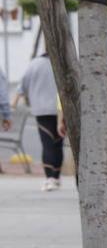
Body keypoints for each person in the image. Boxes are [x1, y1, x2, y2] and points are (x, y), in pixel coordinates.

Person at [17, 52, 62, 190]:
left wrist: (17, 100)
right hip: (61, 109)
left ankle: (49, 178)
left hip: (41, 110)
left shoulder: (34, 64)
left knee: (47, 143)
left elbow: (22, 85)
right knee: (58, 143)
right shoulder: (61, 64)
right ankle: (56, 176)